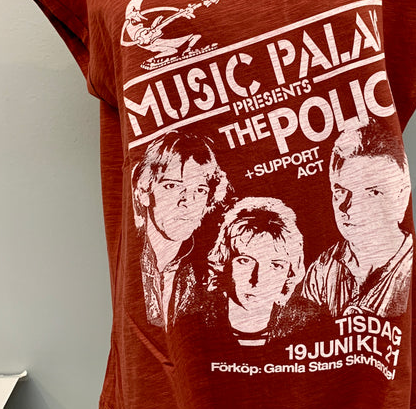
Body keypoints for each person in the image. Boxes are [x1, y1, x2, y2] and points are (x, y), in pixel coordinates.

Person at [303, 121, 413, 319]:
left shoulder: (412, 268)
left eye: (373, 193)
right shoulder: (323, 268)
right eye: (340, 192)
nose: (348, 207)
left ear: (401, 198)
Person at [131, 130, 230, 329]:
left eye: (200, 190)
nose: (188, 201)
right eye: (172, 186)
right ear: (144, 193)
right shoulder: (132, 261)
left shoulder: (209, 275)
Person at [205, 196, 324, 346]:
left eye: (276, 266)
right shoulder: (197, 321)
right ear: (224, 263)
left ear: (290, 274)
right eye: (245, 261)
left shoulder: (309, 325)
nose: (258, 280)